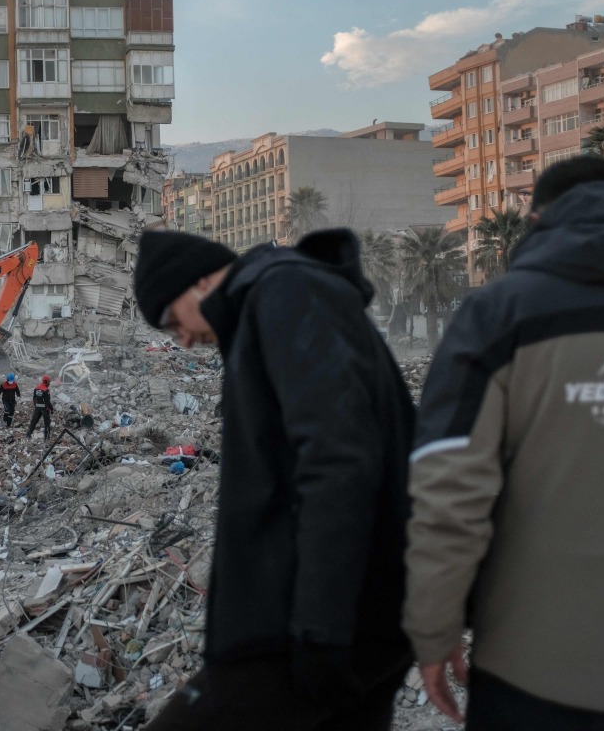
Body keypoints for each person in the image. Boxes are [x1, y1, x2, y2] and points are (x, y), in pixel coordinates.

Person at [405, 155, 604, 729]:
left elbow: (450, 490)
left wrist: (433, 629)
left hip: (537, 674)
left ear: (538, 219)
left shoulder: (498, 314)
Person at [133, 230, 414, 730]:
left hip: (306, 625)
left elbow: (336, 460)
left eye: (174, 322)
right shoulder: (272, 303)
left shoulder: (284, 294)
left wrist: (322, 628)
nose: (183, 339)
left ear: (200, 283)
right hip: (342, 614)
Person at [25, 375, 53, 441]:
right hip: (45, 409)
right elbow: (47, 402)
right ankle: (46, 438)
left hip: (37, 408)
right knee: (47, 423)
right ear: (47, 382)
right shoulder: (46, 390)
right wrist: (51, 409)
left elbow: (34, 399)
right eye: (49, 382)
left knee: (34, 421)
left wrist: (36, 406)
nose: (49, 383)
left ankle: (28, 435)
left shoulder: (36, 388)